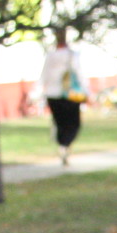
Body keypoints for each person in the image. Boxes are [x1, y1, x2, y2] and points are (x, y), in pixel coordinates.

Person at [39, 27, 86, 166]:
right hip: (70, 95)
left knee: (60, 123)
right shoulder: (72, 55)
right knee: (73, 124)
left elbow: (44, 76)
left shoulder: (50, 56)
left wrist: (37, 93)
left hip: (53, 95)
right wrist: (87, 92)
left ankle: (62, 145)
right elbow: (79, 74)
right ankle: (66, 146)